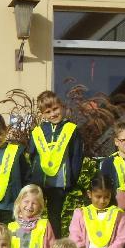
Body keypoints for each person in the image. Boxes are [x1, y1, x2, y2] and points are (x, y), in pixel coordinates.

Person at [28, 91, 84, 238]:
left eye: (55, 109)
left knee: (55, 217)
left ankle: (55, 247)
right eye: (48, 111)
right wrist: (32, 179)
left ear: (62, 106)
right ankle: (35, 245)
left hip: (60, 183)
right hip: (40, 182)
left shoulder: (71, 130)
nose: (53, 114)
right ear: (43, 114)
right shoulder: (38, 132)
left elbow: (76, 156)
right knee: (34, 214)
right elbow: (32, 155)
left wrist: (72, 179)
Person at [9, 184, 54, 248]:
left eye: (34, 203)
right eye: (26, 201)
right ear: (19, 202)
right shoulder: (11, 227)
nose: (30, 206)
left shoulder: (44, 225)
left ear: (40, 206)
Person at [100, 121, 125, 193]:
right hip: (117, 202)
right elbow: (104, 187)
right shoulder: (109, 163)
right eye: (123, 140)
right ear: (116, 141)